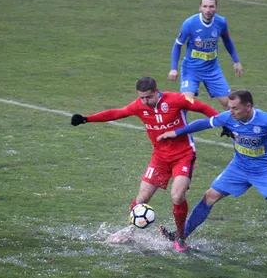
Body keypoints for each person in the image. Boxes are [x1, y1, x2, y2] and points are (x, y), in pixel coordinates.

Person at [156, 89, 267, 258]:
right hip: (238, 167)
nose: (231, 111)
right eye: (229, 107)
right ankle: (181, 236)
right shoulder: (228, 118)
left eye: (235, 108)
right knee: (209, 197)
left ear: (248, 106)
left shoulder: (266, 120)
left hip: (264, 171)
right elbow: (203, 123)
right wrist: (176, 132)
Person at [70, 76, 220, 251]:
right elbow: (116, 113)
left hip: (183, 155)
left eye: (148, 97)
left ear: (157, 91)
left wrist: (222, 121)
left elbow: (202, 107)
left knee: (177, 196)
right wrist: (86, 119)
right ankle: (130, 229)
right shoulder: (139, 105)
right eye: (141, 97)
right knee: (142, 198)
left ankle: (180, 236)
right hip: (159, 158)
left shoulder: (175, 100)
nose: (144, 101)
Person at [169, 0, 243, 110]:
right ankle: (181, 128)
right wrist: (174, 68)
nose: (208, 10)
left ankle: (229, 128)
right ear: (200, 8)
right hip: (192, 70)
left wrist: (236, 61)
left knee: (230, 104)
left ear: (216, 8)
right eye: (205, 6)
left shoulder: (221, 22)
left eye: (211, 6)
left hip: (212, 70)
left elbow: (227, 40)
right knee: (185, 103)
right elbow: (177, 45)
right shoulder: (190, 23)